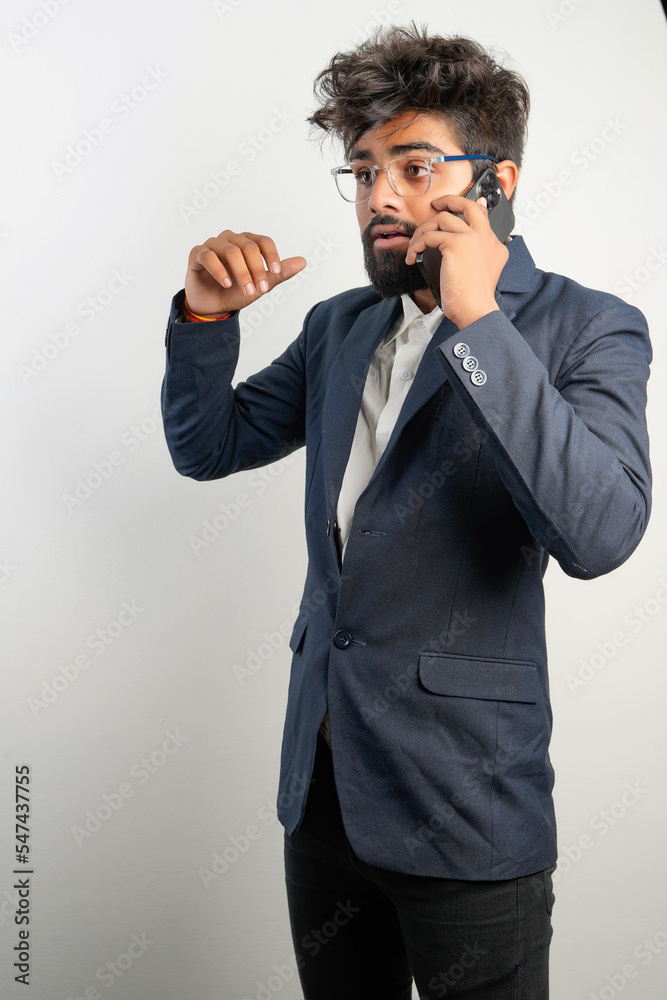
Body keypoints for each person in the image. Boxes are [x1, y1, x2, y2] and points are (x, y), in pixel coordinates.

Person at [160, 24, 651, 1000]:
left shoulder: (586, 325)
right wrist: (205, 315)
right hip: (322, 797)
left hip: (467, 809)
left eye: (415, 167)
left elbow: (600, 533)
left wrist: (478, 320)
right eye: (362, 171)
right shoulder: (339, 326)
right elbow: (210, 446)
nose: (379, 197)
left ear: (495, 181)